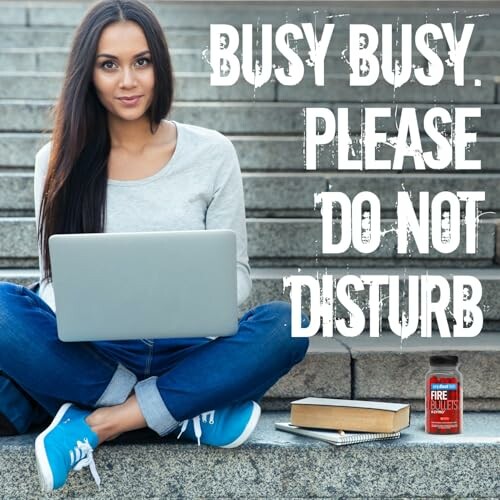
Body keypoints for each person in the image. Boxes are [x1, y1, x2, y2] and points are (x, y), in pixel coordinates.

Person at [0, 0, 310, 493]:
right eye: (110, 65)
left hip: (189, 353)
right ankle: (178, 412)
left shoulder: (211, 153)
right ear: (89, 74)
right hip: (98, 356)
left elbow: (238, 277)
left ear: (159, 65)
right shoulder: (55, 162)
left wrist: (185, 299)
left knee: (289, 325)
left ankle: (102, 422)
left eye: (141, 61)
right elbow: (57, 283)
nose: (128, 81)